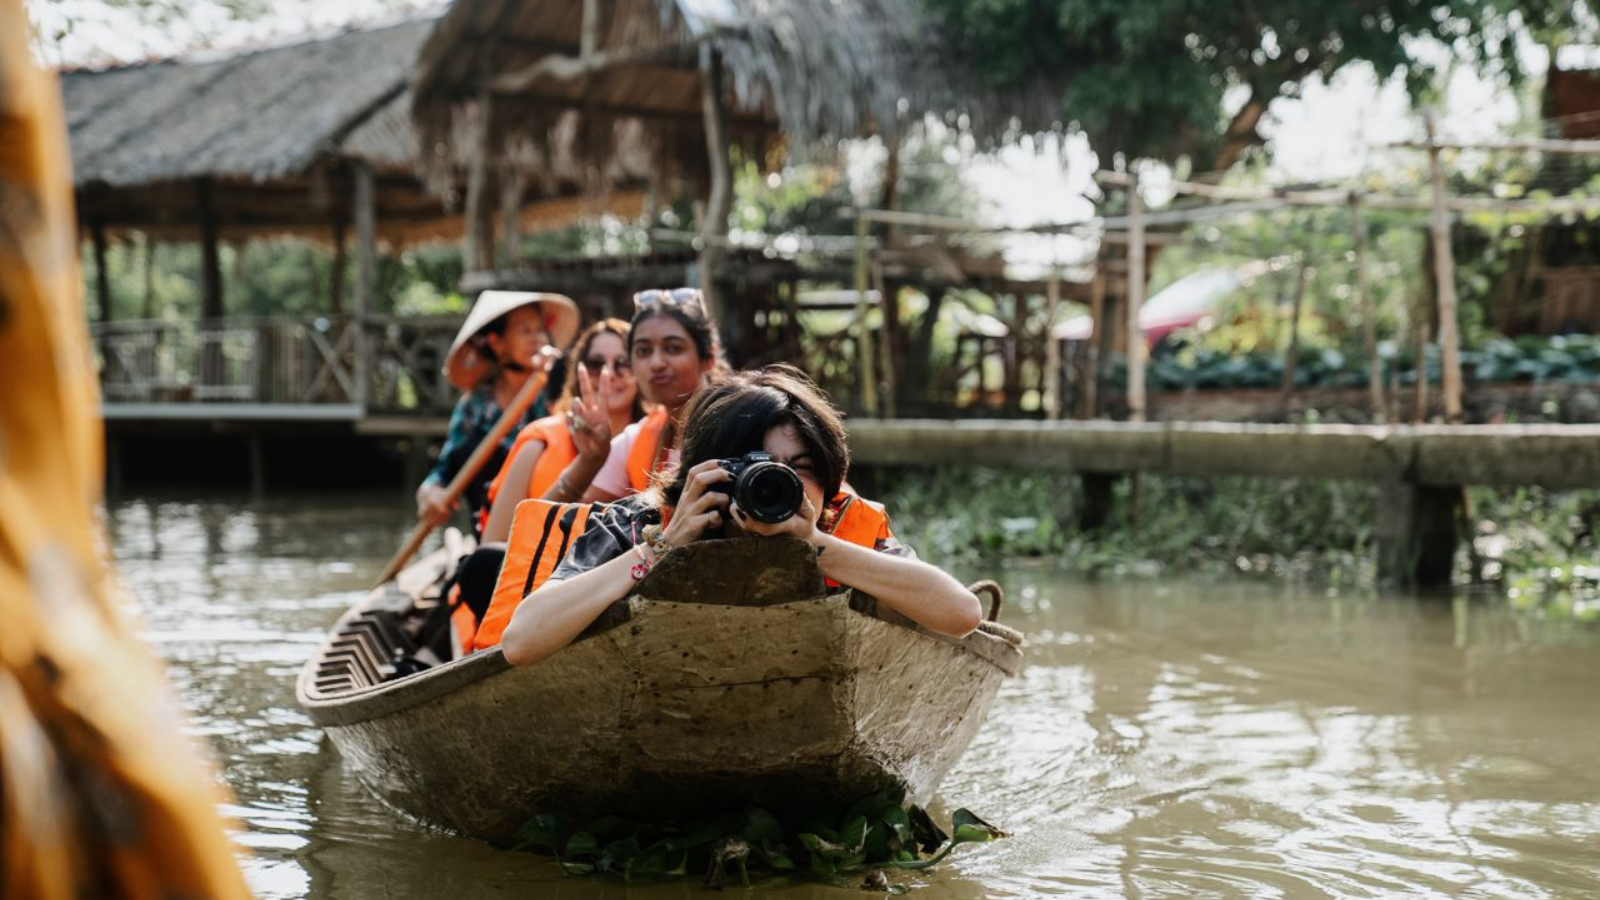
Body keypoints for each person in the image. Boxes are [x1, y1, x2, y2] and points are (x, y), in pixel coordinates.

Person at [499, 366, 984, 668]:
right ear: (706, 471)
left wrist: (812, 543)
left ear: (830, 477)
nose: (778, 487)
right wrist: (662, 547)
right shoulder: (643, 522)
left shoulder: (837, 524)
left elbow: (961, 614)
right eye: (756, 470)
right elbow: (521, 643)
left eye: (800, 471)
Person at [415, 290, 579, 533]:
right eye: (525, 331)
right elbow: (446, 468)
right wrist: (428, 493)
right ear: (497, 342)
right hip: (491, 527)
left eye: (539, 330)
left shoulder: (559, 386)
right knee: (469, 450)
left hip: (551, 524)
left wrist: (552, 376)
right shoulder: (475, 404)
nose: (537, 339)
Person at [480, 317, 644, 543]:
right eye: (596, 364)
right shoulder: (540, 442)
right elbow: (492, 545)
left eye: (623, 363)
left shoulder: (656, 440)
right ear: (579, 372)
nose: (609, 373)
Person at [579, 287, 724, 503]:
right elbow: (571, 522)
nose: (656, 363)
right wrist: (589, 461)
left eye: (673, 348)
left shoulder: (739, 426)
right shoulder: (635, 440)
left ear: (709, 357)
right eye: (643, 351)